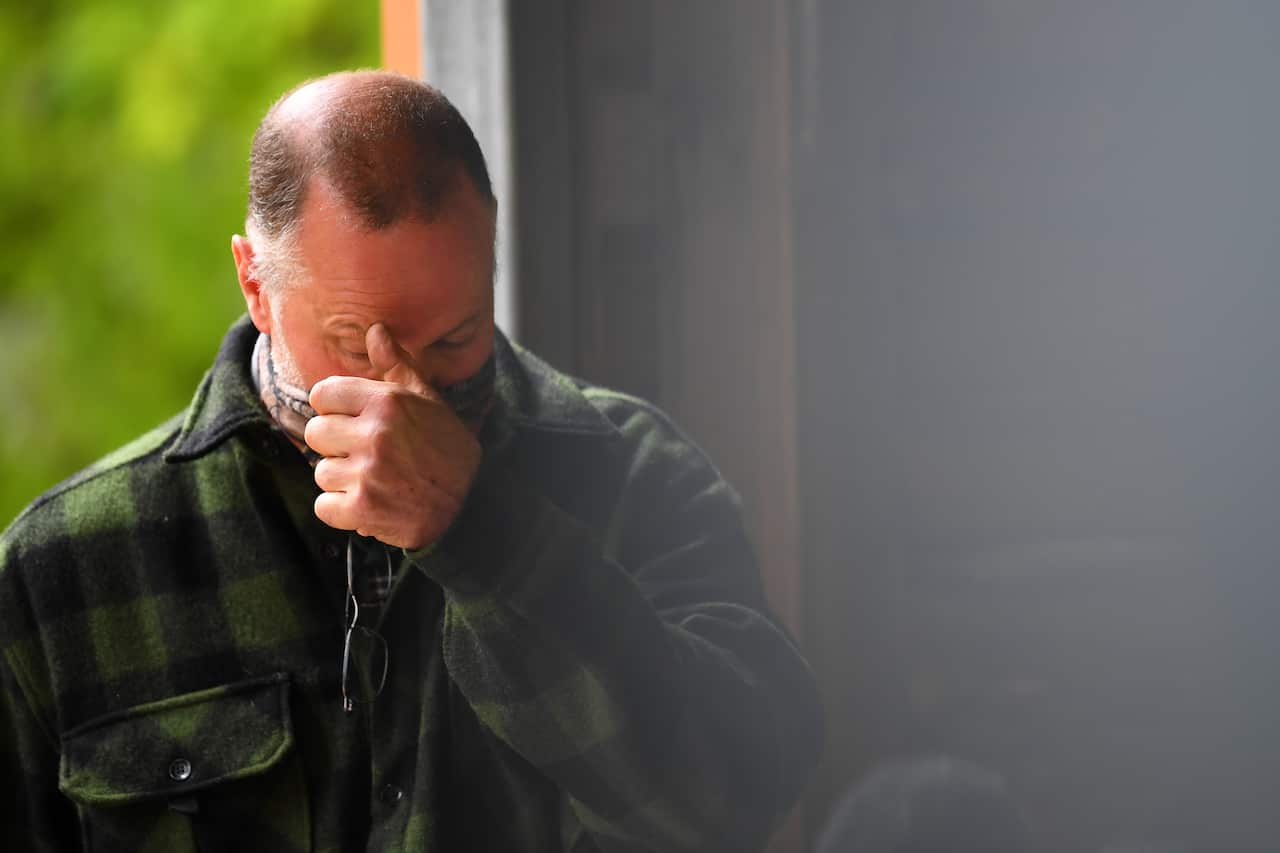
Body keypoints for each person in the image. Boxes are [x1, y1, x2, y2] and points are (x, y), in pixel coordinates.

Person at [0, 70, 822, 852]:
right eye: (357, 344)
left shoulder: (636, 476)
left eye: (456, 336)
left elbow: (726, 804)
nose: (407, 392)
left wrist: (487, 534)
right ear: (254, 283)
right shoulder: (63, 569)